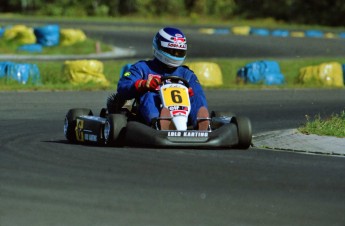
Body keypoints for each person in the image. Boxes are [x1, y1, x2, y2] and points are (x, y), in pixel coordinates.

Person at [109, 27, 209, 130]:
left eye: (179, 52)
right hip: (147, 116)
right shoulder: (142, 68)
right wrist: (143, 84)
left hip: (183, 113)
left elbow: (198, 93)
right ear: (159, 47)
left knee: (197, 96)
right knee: (149, 94)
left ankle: (201, 122)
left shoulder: (186, 74)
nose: (175, 55)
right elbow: (123, 86)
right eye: (172, 51)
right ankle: (158, 123)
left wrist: (189, 93)